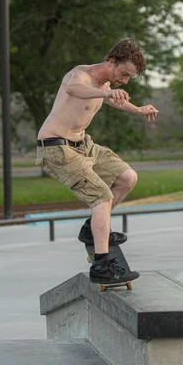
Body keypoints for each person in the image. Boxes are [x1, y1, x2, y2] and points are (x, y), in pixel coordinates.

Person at [35, 38, 158, 284]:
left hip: (84, 146)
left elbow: (114, 100)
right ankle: (101, 265)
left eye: (129, 78)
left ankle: (91, 228)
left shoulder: (104, 84)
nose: (124, 81)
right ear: (111, 61)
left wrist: (139, 110)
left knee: (127, 177)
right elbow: (73, 90)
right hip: (57, 148)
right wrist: (106, 91)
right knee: (102, 197)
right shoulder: (80, 75)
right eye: (123, 74)